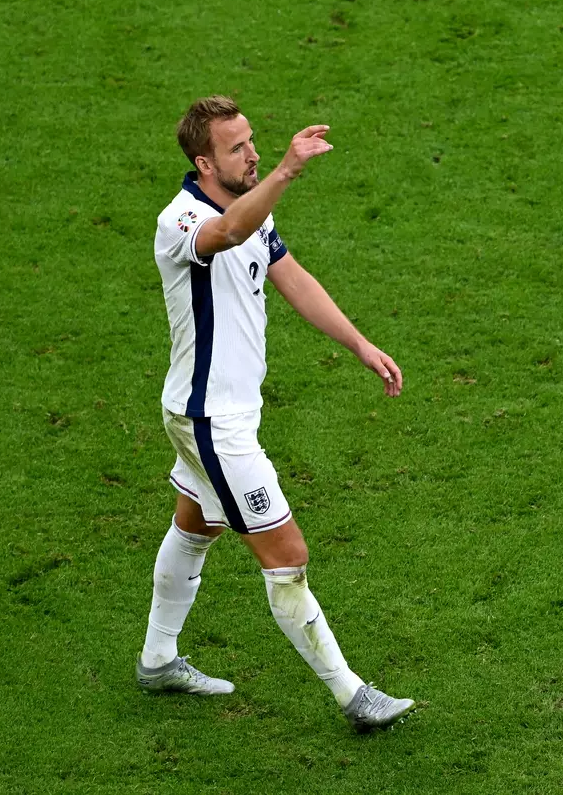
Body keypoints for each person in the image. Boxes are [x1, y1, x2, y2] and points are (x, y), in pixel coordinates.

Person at [138, 95, 415, 732]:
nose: (255, 154)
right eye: (239, 148)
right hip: (211, 423)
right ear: (204, 162)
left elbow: (294, 279)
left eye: (255, 141)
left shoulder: (253, 213)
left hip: (215, 415)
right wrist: (288, 172)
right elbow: (227, 233)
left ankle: (157, 661)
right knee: (286, 554)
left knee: (196, 526)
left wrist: (361, 344)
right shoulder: (179, 223)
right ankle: (354, 697)